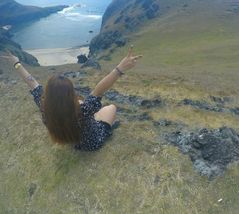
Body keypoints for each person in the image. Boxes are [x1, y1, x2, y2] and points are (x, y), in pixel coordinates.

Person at [0, 46, 143, 151]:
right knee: (110, 108)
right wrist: (120, 68)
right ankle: (102, 123)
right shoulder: (83, 109)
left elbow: (31, 82)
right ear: (70, 92)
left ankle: (96, 119)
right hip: (92, 142)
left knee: (96, 114)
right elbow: (99, 89)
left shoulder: (44, 106)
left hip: (71, 140)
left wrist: (16, 64)